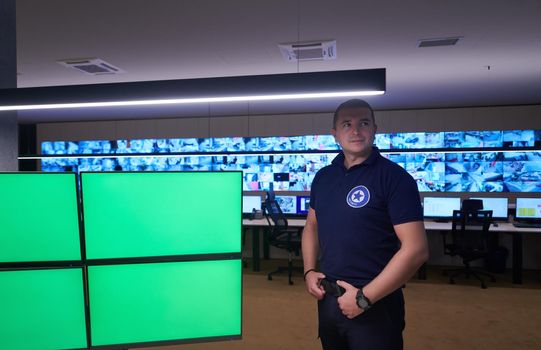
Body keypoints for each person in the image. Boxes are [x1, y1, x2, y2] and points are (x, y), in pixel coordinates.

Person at [302, 99, 428, 350]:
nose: (356, 131)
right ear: (334, 134)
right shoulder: (323, 177)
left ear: (375, 128)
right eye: (346, 124)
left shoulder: (395, 178)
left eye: (363, 123)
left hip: (375, 302)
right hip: (329, 299)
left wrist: (363, 298)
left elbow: (416, 249)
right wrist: (308, 270)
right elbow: (312, 226)